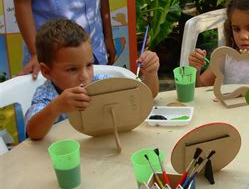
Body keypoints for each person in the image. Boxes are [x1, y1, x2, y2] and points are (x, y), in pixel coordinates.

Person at [25, 19, 160, 140]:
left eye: (89, 65)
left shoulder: (100, 83)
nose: (84, 75)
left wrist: (150, 73)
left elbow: (146, 96)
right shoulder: (46, 96)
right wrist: (55, 107)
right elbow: (33, 133)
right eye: (72, 69)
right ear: (47, 71)